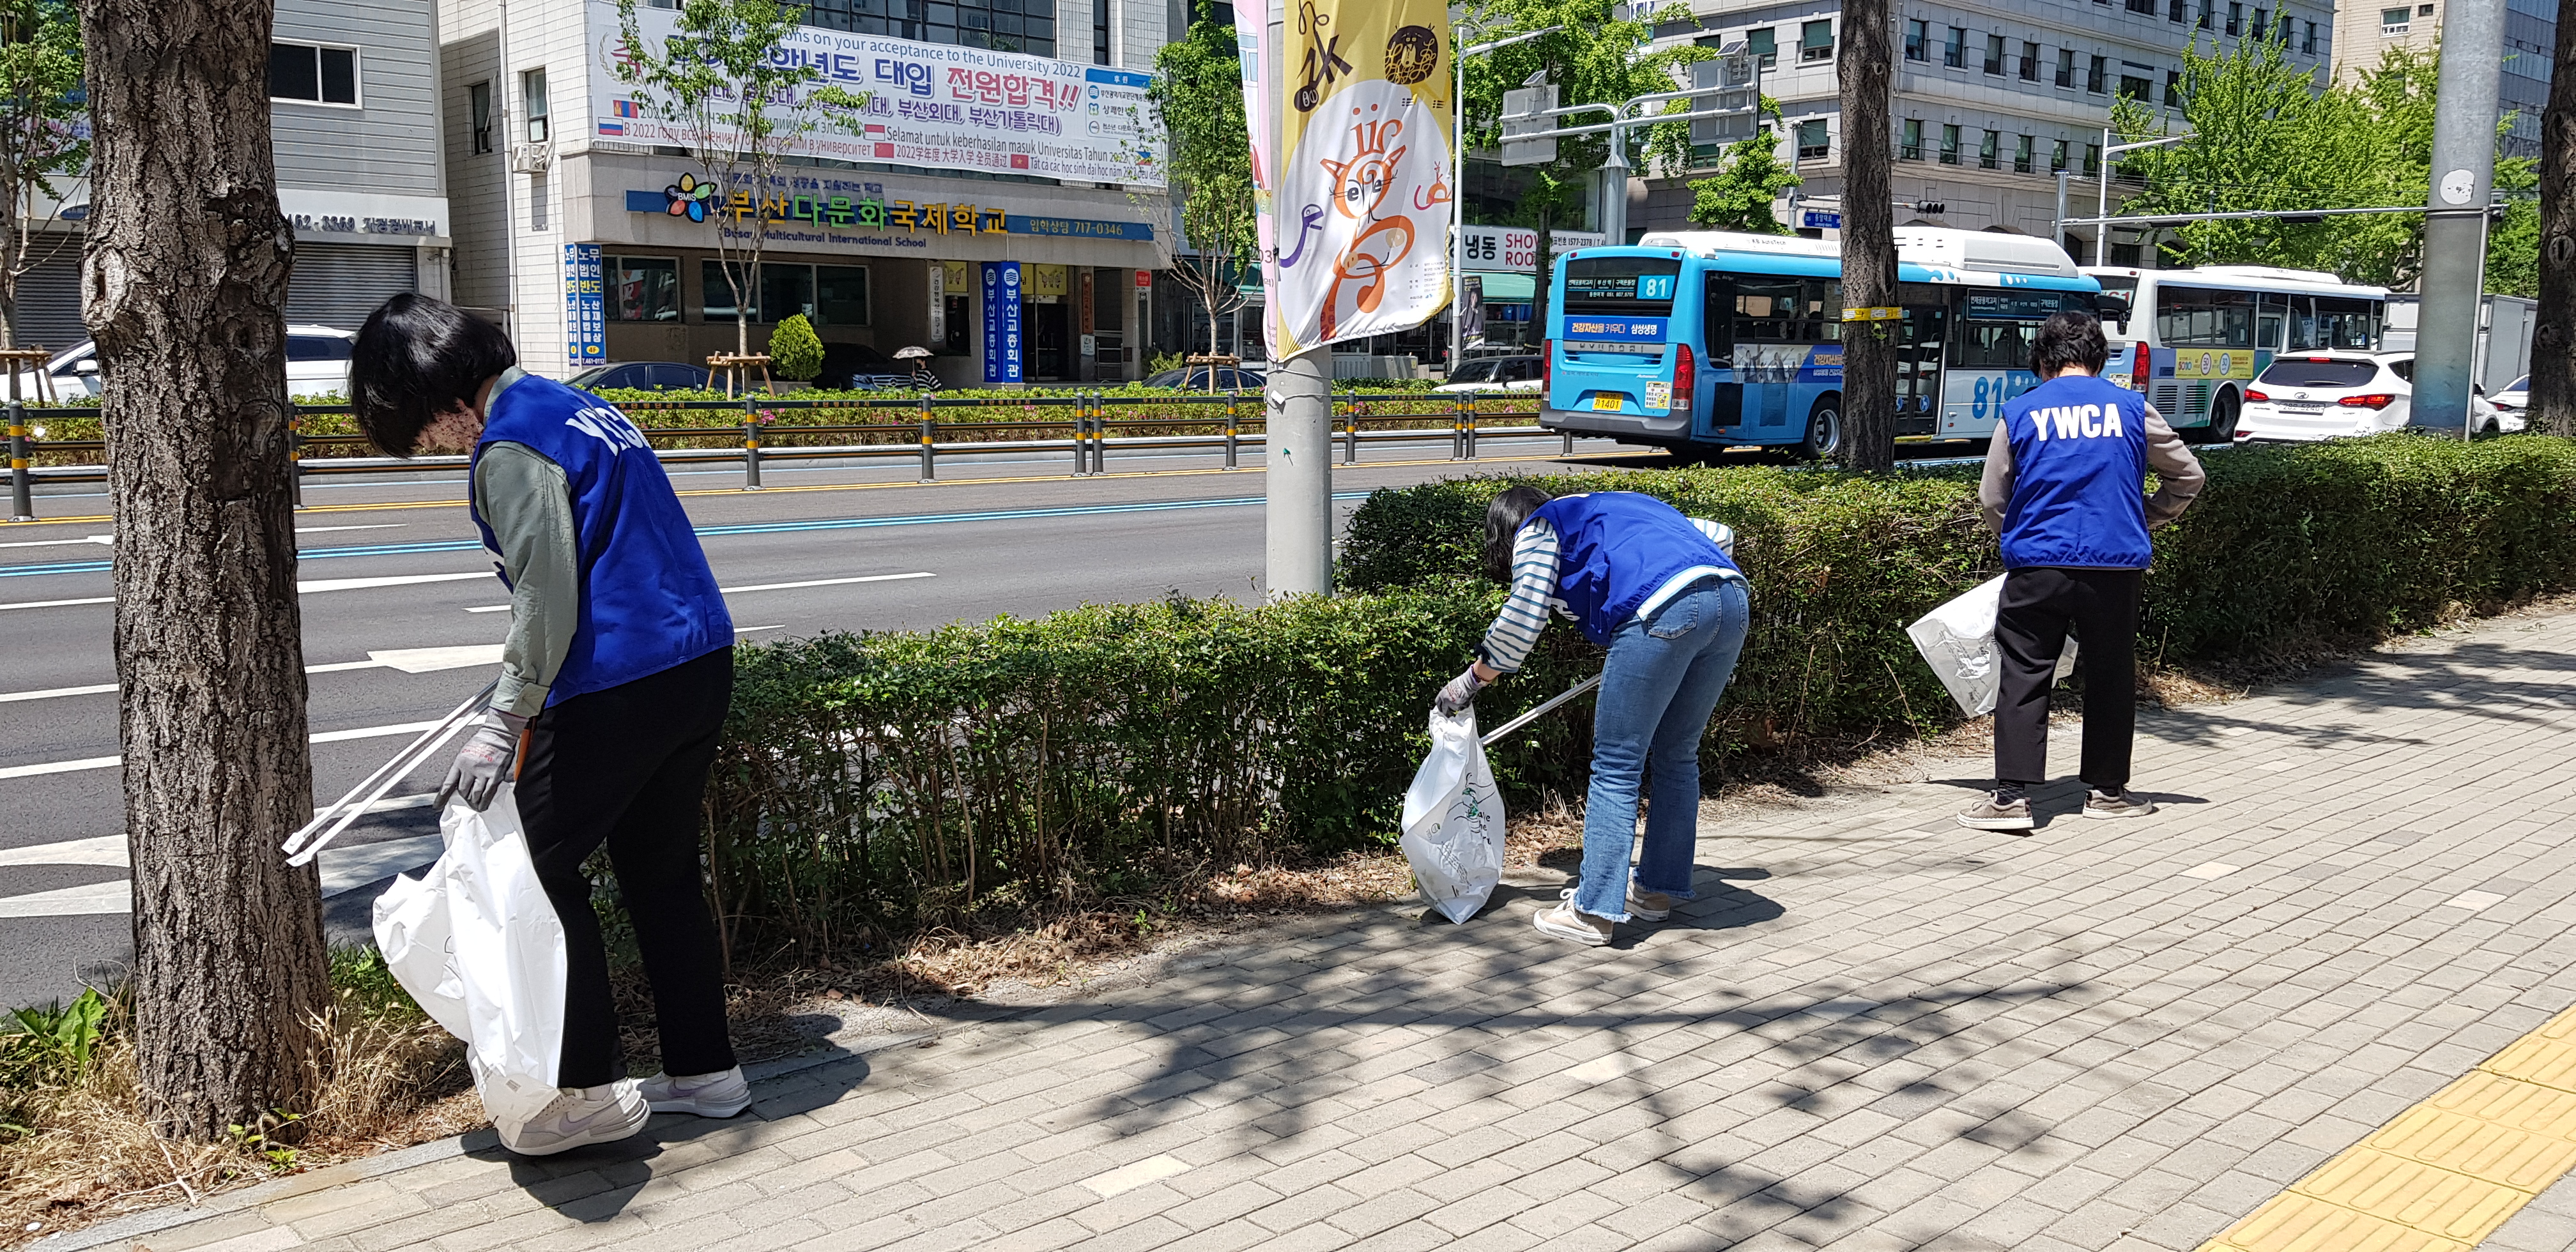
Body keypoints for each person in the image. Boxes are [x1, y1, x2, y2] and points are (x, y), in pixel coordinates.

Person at [348, 294, 749, 1156]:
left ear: (439, 394)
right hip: (696, 660)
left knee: (531, 868)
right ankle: (705, 1073)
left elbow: (547, 594)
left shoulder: (509, 444)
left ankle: (585, 1091)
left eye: (418, 429)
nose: (430, 446)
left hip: (619, 678)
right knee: (661, 872)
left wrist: (504, 719)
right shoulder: (582, 406)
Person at [1436, 487, 1751, 945]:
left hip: (1660, 610)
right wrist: (1692, 605)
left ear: (1507, 531)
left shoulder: (1541, 526)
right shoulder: (1612, 507)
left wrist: (1471, 680)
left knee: (1618, 765)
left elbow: (1524, 615)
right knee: (1678, 754)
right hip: (1732, 602)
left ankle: (1593, 912)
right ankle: (1655, 892)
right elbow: (1719, 535)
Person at [1959, 310, 2205, 832]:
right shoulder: (2133, 409)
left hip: (2037, 565)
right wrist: (2146, 517)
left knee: (2024, 674)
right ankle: (2108, 791)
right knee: (2111, 675)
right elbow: (2188, 475)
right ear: (2099, 358)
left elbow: (1990, 497)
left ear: (2042, 360)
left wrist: (2017, 537)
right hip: (2113, 566)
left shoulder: (2021, 412)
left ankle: (2010, 800)